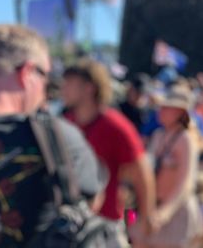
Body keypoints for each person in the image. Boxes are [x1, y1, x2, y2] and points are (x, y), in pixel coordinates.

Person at [0, 24, 103, 246]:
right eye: (46, 77)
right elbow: (90, 206)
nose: (47, 89)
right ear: (27, 73)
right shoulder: (60, 140)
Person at [61, 58, 156, 244]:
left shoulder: (116, 126)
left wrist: (143, 220)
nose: (63, 88)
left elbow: (142, 174)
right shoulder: (65, 122)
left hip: (105, 224)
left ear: (89, 88)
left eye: (69, 83)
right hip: (70, 223)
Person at [132, 85, 203, 248]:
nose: (161, 111)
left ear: (179, 112)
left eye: (166, 108)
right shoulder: (158, 136)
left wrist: (165, 213)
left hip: (174, 213)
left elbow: (186, 183)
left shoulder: (186, 140)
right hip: (151, 209)